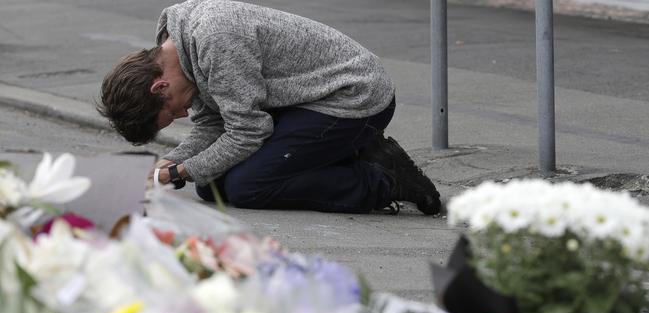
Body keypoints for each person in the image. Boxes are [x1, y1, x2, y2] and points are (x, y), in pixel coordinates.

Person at [98, 0, 441, 215]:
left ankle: (385, 180)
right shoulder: (179, 53)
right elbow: (211, 127)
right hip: (302, 101)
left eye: (172, 111)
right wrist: (172, 161)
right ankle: (353, 152)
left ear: (160, 86)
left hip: (354, 96)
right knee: (212, 185)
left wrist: (177, 173)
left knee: (248, 186)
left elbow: (247, 132)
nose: (183, 115)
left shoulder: (216, 41)